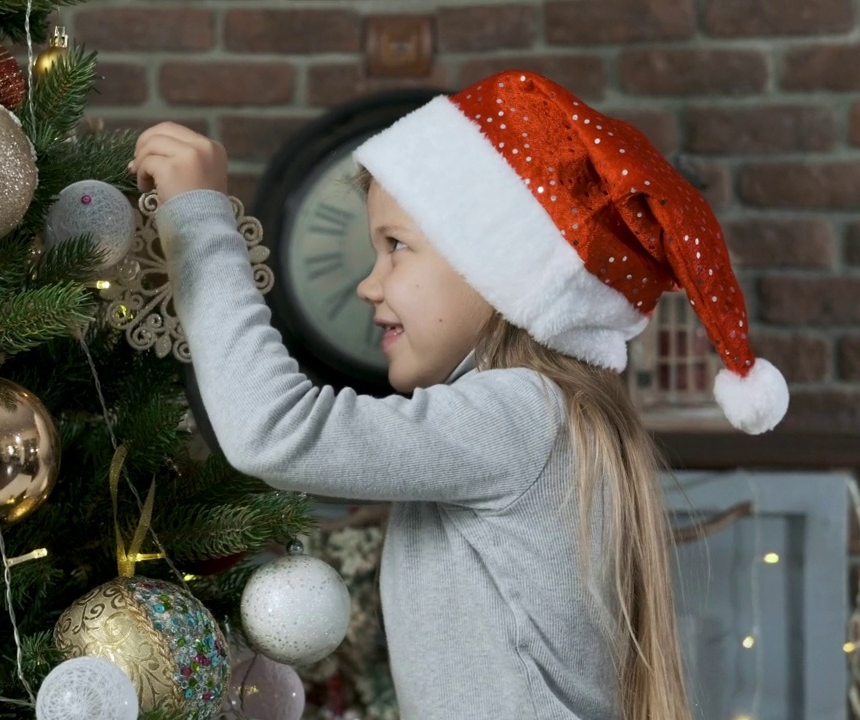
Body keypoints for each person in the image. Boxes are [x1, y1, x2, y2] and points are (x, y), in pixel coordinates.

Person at [130, 71, 789, 720]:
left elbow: (272, 429)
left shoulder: (523, 414)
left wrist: (200, 221)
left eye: (396, 247)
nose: (370, 283)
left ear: (499, 272)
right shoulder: (538, 417)